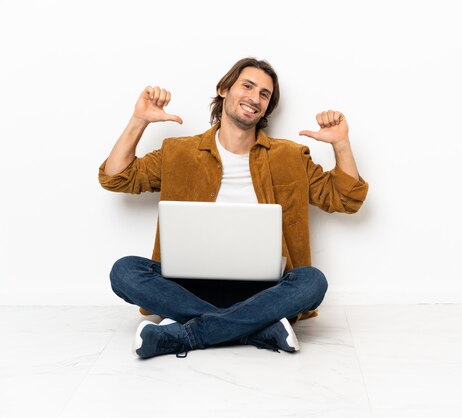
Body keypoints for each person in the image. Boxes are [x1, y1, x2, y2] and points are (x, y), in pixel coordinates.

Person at [99, 57, 368, 359]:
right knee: (124, 272)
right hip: (187, 287)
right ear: (224, 89)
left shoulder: (290, 157)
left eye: (264, 94)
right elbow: (116, 178)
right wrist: (139, 120)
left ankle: (185, 333)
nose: (255, 98)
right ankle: (257, 328)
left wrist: (341, 144)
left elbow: (346, 199)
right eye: (248, 86)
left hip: (263, 291)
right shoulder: (178, 153)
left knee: (312, 282)